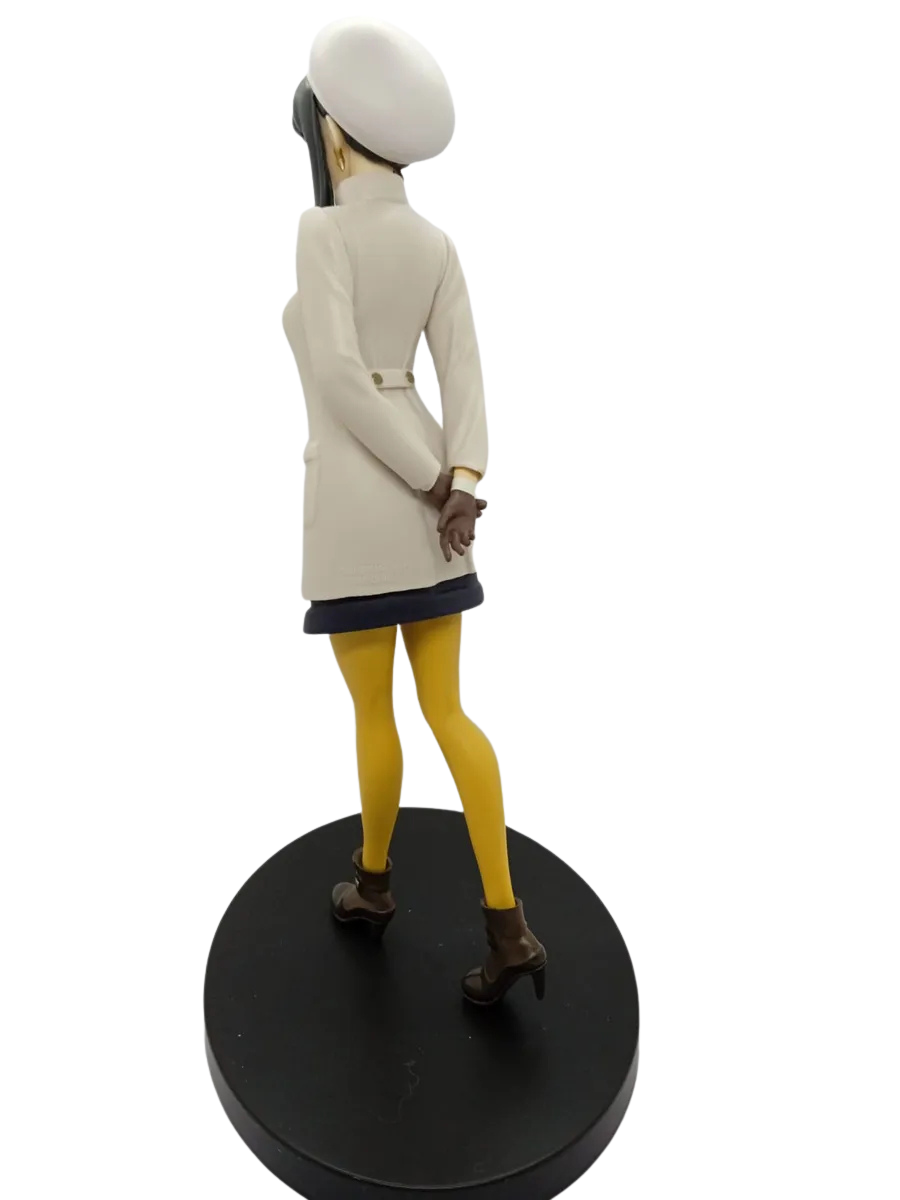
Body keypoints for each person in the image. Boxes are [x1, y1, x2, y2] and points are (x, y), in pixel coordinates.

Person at [282, 18, 545, 1005]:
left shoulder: (321, 232)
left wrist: (434, 482)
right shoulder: (433, 243)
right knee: (449, 712)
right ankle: (510, 929)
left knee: (375, 712)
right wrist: (459, 476)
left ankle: (376, 886)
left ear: (333, 132)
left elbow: (341, 381)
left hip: (362, 507)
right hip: (438, 521)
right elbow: (466, 372)